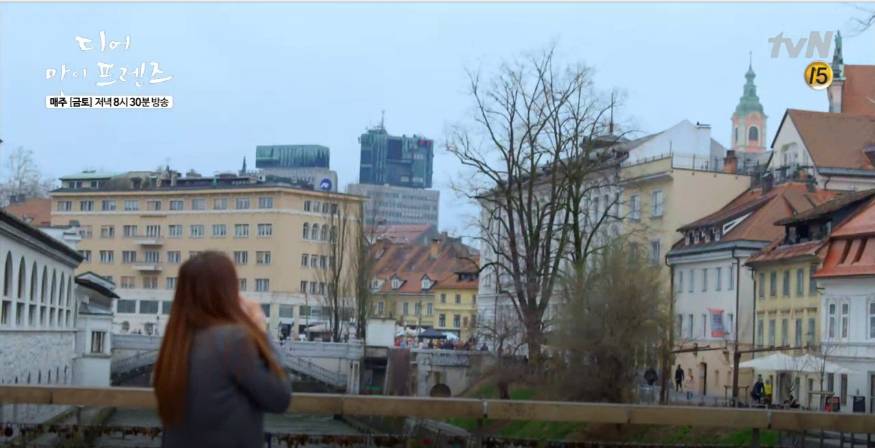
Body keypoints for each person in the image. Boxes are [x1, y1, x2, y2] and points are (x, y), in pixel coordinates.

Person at [154, 251, 292, 448]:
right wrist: (260, 329)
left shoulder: (175, 344)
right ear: (227, 291)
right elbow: (280, 397)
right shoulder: (233, 340)